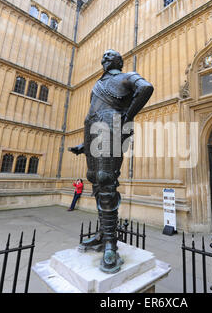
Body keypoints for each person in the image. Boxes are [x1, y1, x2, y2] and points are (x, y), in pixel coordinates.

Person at [69, 49, 153, 273]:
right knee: (94, 179)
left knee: (106, 179)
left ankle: (110, 244)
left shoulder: (125, 77)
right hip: (93, 132)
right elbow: (94, 111)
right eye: (103, 56)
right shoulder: (98, 85)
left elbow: (145, 88)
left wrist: (128, 116)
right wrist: (84, 145)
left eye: (110, 56)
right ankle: (102, 235)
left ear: (119, 61)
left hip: (112, 128)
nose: (104, 58)